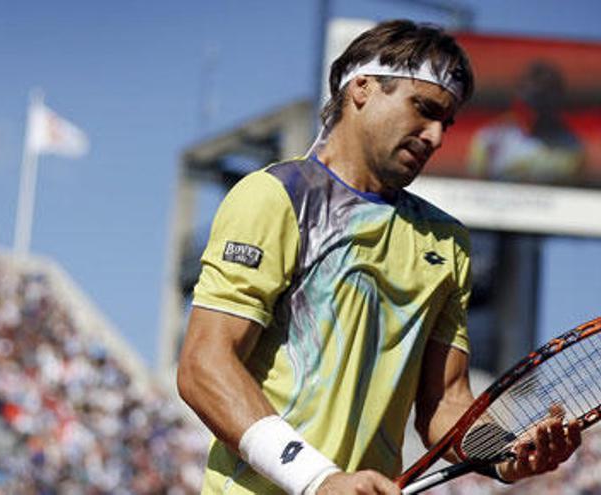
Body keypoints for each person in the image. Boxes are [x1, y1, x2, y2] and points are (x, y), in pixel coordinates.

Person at [177, 20, 582, 495]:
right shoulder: (275, 197)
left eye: (445, 123)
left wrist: (505, 451)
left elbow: (446, 402)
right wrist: (317, 479)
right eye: (424, 110)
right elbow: (204, 366)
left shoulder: (447, 241)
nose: (435, 137)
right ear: (362, 88)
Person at [468, 61, 585, 184]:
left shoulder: (571, 150)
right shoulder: (489, 141)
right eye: (526, 106)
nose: (532, 115)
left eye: (541, 109)